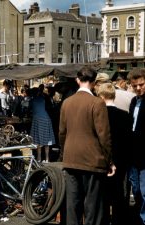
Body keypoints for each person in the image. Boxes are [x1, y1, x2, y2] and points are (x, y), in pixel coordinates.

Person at [59, 66, 115, 225]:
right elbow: (104, 135)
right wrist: (110, 161)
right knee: (92, 208)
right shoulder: (97, 103)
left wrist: (65, 153)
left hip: (71, 159)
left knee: (73, 206)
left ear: (77, 80)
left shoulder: (66, 103)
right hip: (92, 161)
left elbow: (62, 132)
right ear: (94, 82)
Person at [97, 83, 132, 225]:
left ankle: (105, 220)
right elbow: (129, 140)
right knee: (119, 194)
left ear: (101, 96)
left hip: (103, 160)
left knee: (103, 194)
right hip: (121, 160)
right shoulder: (125, 116)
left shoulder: (99, 116)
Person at [127, 68, 145, 225]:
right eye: (135, 86)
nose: (138, 88)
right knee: (136, 190)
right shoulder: (134, 101)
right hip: (133, 154)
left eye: (141, 84)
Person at [30, 85, 55, 163]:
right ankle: (47, 159)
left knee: (38, 141)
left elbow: (30, 111)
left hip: (37, 120)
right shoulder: (44, 98)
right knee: (46, 140)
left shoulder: (32, 101)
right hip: (46, 119)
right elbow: (50, 107)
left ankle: (39, 158)